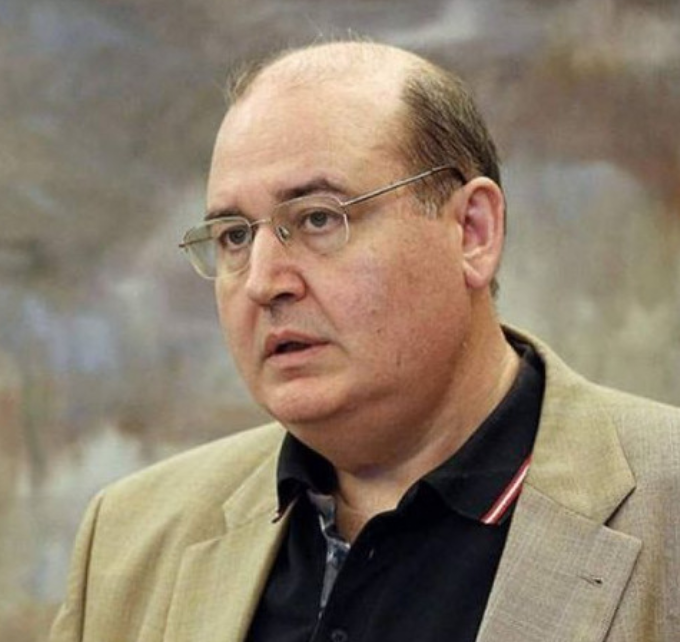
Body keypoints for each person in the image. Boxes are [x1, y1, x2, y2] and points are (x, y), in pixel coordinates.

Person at [47, 39, 680, 642]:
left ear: (472, 231)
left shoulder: (665, 503)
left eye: (318, 218)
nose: (264, 282)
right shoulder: (128, 537)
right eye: (235, 235)